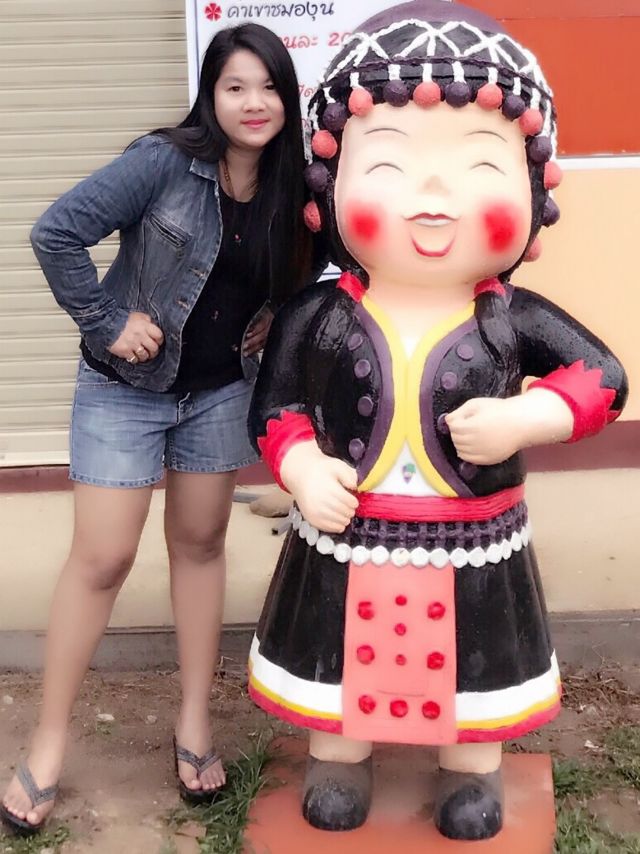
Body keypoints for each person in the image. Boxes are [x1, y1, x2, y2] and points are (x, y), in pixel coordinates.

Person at [246, 0, 628, 842]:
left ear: (531, 190)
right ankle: (339, 758)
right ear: (329, 185)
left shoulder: (510, 318)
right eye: (388, 165)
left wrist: (530, 416)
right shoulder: (320, 316)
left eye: (477, 167)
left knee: (472, 666)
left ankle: (470, 770)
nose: (431, 200)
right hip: (351, 534)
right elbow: (274, 407)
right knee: (339, 664)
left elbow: (603, 377)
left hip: (472, 540)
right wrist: (302, 467)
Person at [1, 22, 311, 836]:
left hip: (218, 395)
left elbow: (316, 274)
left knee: (201, 544)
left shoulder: (297, 187)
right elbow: (55, 232)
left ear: (288, 97)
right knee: (102, 557)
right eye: (235, 86)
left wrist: (278, 321)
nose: (253, 102)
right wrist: (106, 321)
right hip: (123, 391)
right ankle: (48, 743)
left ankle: (194, 722)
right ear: (211, 94)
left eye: (268, 87)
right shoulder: (164, 163)